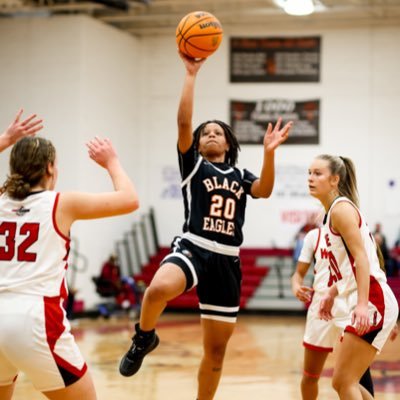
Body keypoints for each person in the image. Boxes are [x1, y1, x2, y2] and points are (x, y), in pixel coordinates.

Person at [119, 52, 293, 400]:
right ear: (197, 144)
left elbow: (265, 190)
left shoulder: (241, 175)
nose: (211, 135)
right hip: (193, 247)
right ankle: (143, 337)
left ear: (228, 143)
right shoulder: (194, 168)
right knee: (155, 291)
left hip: (227, 260)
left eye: (218, 133)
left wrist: (270, 153)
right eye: (206, 133)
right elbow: (184, 123)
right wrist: (190, 75)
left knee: (215, 355)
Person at [0, 111, 139, 400]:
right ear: (50, 168)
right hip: (35, 317)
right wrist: (111, 161)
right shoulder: (62, 203)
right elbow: (129, 199)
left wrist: (5, 140)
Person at [308, 154, 399, 400]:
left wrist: (361, 305)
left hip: (373, 298)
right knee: (344, 382)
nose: (311, 178)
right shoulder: (330, 214)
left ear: (335, 179)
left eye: (318, 173)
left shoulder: (341, 209)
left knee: (344, 382)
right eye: (309, 172)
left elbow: (362, 259)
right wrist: (331, 292)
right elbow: (349, 266)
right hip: (368, 298)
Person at [292, 228, 375, 399]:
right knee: (310, 375)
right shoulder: (314, 236)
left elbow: (372, 270)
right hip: (320, 305)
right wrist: (296, 286)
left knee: (356, 376)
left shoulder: (356, 231)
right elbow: (298, 274)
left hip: (349, 301)